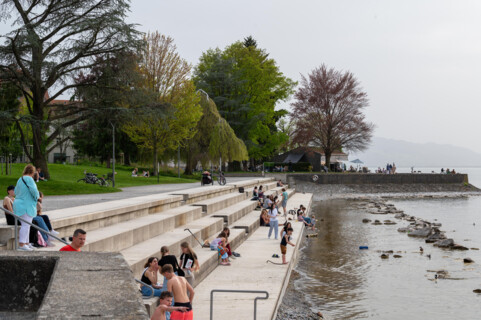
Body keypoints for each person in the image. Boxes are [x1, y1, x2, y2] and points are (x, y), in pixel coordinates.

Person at [13, 164, 40, 251]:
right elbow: (34, 191)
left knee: (26, 225)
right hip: (26, 205)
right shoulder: (29, 179)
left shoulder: (20, 179)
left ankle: (26, 243)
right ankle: (22, 244)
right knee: (25, 225)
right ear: (32, 172)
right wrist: (37, 197)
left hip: (19, 204)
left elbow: (16, 191)